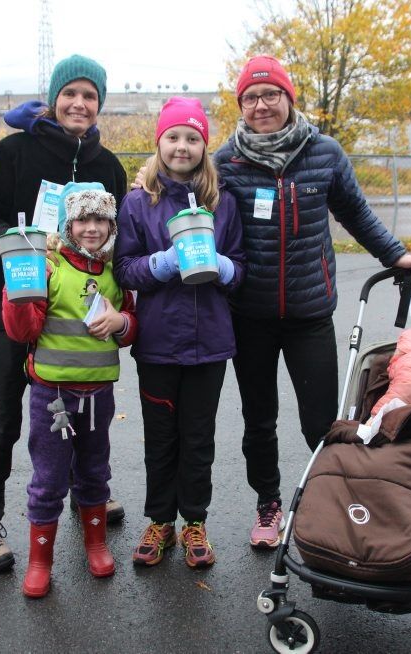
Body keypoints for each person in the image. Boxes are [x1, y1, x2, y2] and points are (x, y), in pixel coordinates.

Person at [212, 55, 411, 549]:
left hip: (310, 313)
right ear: (241, 106)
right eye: (251, 97)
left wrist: (394, 254)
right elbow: (192, 202)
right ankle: (268, 506)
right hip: (250, 316)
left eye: (271, 95)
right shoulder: (226, 161)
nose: (262, 104)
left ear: (289, 98)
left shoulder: (324, 152)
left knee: (322, 421)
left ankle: (330, 501)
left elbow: (354, 211)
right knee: (258, 418)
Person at [0, 54, 128, 573]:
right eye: (70, 93)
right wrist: (17, 246)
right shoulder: (14, 152)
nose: (79, 103)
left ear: (99, 106)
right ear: (54, 99)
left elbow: (120, 241)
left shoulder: (108, 167)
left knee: (81, 411)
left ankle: (87, 495)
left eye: (90, 96)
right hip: (16, 306)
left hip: (78, 318)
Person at [114, 97, 245, 569]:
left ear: (205, 146)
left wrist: (226, 268)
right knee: (161, 437)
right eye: (173, 137)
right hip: (158, 345)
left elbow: (242, 268)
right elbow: (125, 269)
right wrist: (162, 264)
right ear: (159, 142)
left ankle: (194, 521)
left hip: (210, 343)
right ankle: (159, 521)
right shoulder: (138, 202)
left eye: (192, 138)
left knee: (197, 437)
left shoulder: (222, 201)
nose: (182, 146)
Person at [1, 183, 136, 597]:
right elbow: (22, 329)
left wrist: (122, 324)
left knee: (95, 472)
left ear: (111, 225)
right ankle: (40, 561)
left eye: (100, 219)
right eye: (83, 219)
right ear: (67, 224)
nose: (91, 228)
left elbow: (131, 325)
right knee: (49, 478)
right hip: (52, 396)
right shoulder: (49, 267)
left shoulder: (116, 273)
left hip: (98, 398)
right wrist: (18, 292)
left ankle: (95, 544)